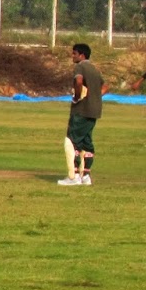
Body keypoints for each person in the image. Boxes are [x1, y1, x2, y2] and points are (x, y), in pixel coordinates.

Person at [59, 42, 105, 186]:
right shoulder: (94, 68)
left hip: (81, 110)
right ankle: (85, 176)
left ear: (82, 55)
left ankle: (73, 177)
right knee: (87, 142)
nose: (72, 56)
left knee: (72, 142)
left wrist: (78, 97)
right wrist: (95, 97)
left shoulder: (80, 66)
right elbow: (105, 86)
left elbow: (78, 82)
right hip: (94, 110)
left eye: (74, 53)